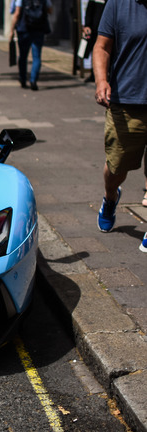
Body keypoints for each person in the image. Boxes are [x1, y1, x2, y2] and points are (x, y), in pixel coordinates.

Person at [92, 0, 147, 255]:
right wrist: (101, 80)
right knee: (116, 167)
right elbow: (102, 47)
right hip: (127, 101)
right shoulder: (118, 3)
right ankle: (111, 196)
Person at [9, 0, 52, 91]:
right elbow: (50, 10)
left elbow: (17, 13)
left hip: (24, 29)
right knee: (37, 57)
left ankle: (23, 79)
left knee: (23, 56)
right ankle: (33, 80)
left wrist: (12, 30)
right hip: (39, 29)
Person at [82, 0, 107, 83]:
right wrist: (87, 25)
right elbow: (89, 11)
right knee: (96, 51)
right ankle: (94, 75)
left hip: (108, 30)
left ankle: (106, 74)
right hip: (95, 30)